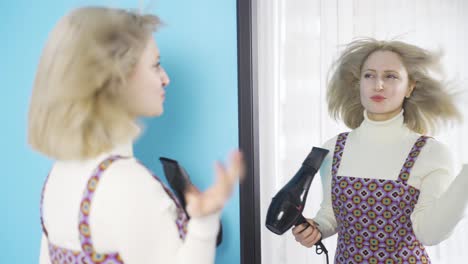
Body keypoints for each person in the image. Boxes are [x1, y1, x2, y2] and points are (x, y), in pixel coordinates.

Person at [28, 6, 245, 264]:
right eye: (155, 66)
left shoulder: (59, 174)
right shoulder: (127, 183)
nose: (165, 79)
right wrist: (205, 224)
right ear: (116, 79)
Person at [292, 38, 468, 263]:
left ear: (410, 87)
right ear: (358, 84)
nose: (378, 85)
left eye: (391, 76)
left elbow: (429, 233)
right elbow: (331, 214)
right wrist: (314, 228)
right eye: (369, 75)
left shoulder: (431, 153)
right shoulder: (334, 148)